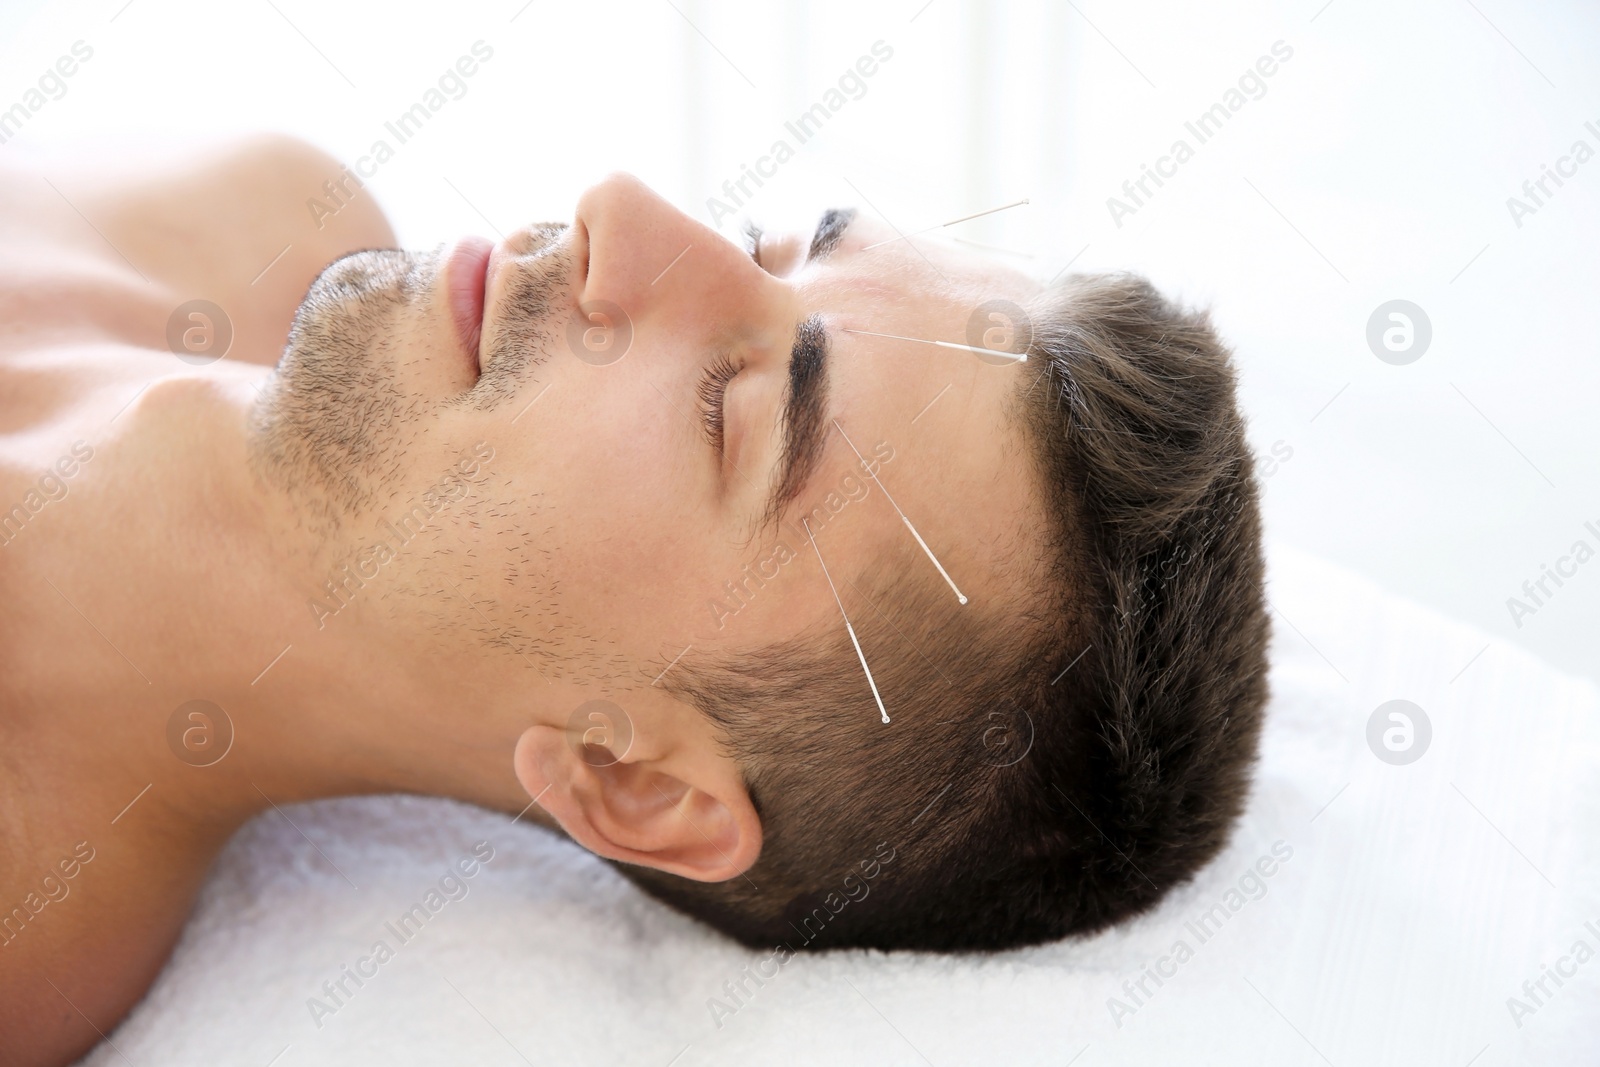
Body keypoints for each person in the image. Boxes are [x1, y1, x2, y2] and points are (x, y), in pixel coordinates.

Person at [0, 136, 1268, 1066]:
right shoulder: (265, 213)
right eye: (770, 245)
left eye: (740, 412)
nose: (623, 211)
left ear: (636, 783)